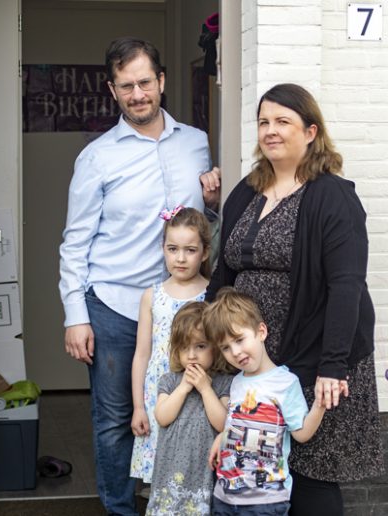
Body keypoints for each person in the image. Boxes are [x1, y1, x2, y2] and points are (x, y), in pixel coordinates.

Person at [59, 36, 221, 516]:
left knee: (186, 409)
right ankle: (121, 510)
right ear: (113, 90)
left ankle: (177, 504)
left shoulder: (196, 142)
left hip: (185, 310)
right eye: (126, 86)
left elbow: (201, 230)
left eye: (145, 82)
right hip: (115, 306)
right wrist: (75, 315)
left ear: (162, 81)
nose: (138, 94)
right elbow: (75, 242)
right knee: (115, 421)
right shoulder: (96, 157)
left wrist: (212, 206)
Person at [206, 83, 384, 516]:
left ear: (310, 131)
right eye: (264, 122)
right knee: (258, 465)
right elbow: (224, 271)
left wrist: (332, 366)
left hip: (316, 354)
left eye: (282, 121)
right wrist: (206, 336)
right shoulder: (248, 190)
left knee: (309, 471)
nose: (270, 131)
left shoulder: (332, 196)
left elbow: (347, 286)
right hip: (253, 354)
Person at [204, 288, 326, 515]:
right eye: (226, 348)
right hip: (226, 494)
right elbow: (239, 422)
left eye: (239, 340)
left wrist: (319, 405)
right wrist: (222, 437)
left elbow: (301, 433)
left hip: (266, 499)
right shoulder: (237, 382)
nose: (235, 352)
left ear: (261, 332)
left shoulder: (285, 383)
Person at [130, 207, 211, 484]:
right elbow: (142, 355)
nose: (180, 258)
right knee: (162, 475)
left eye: (190, 250)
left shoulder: (211, 295)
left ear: (205, 252)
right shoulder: (152, 296)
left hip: (197, 391)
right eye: (172, 248)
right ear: (163, 249)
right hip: (159, 394)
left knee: (193, 472)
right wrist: (139, 406)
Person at [145, 301, 233, 515]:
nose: (192, 355)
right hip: (170, 467)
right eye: (185, 347)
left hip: (202, 469)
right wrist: (184, 387)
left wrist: (205, 389)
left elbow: (222, 423)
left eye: (200, 346)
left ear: (216, 347)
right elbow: (162, 417)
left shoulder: (223, 383)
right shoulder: (170, 381)